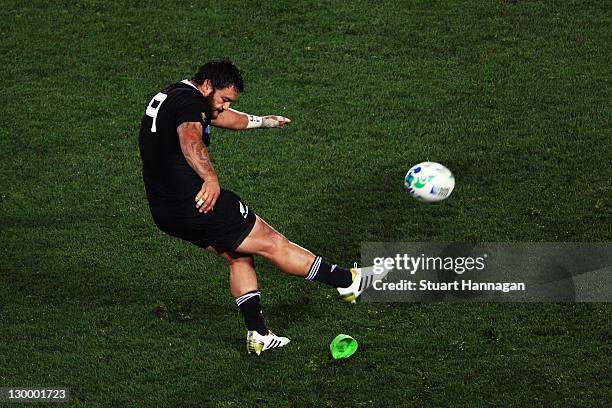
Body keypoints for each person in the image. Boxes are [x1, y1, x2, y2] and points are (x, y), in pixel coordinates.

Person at [138, 59, 389, 355]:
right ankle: (348, 281)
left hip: (166, 211)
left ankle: (258, 334)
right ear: (207, 85)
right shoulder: (193, 104)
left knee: (238, 256)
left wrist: (263, 121)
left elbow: (219, 117)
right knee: (272, 242)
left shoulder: (177, 94)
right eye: (224, 99)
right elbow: (190, 137)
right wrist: (210, 178)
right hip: (199, 202)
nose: (224, 107)